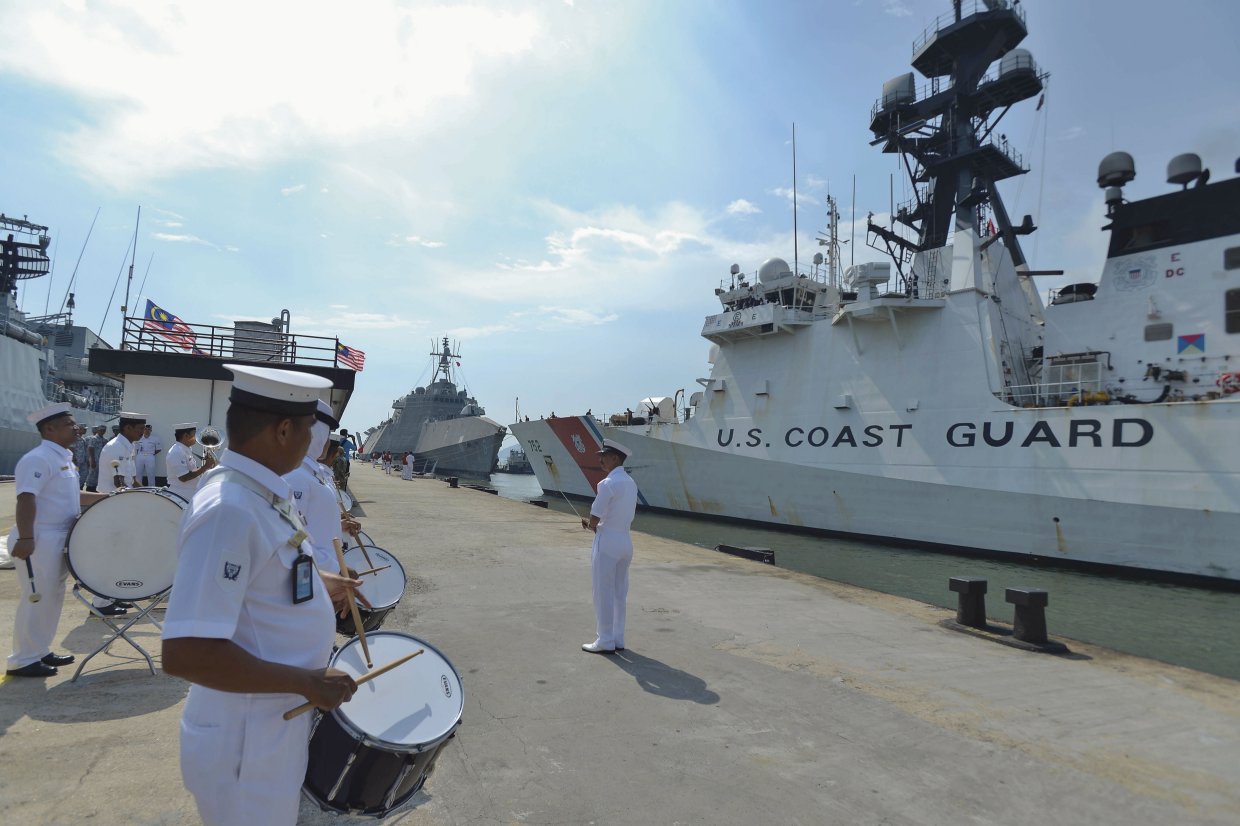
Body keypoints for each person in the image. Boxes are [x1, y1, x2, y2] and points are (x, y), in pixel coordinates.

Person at [161, 364, 361, 826]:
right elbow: (185, 653)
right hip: (244, 742)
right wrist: (306, 682)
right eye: (310, 428)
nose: (314, 440)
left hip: (268, 729)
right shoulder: (229, 510)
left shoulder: (261, 494)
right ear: (284, 429)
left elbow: (266, 574)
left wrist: (318, 587)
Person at [6, 403, 110, 677]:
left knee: (52, 598)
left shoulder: (62, 457)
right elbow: (26, 498)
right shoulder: (38, 458)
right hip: (39, 537)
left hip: (59, 536)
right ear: (49, 429)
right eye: (69, 424)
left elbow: (73, 496)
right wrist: (26, 537)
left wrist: (108, 497)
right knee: (36, 598)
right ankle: (22, 659)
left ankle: (39, 650)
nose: (76, 428)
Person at [580, 439, 639, 654]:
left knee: (602, 591)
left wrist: (590, 525)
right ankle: (618, 638)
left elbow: (595, 517)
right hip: (626, 541)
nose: (600, 459)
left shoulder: (607, 484)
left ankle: (604, 639)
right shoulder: (631, 483)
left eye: (603, 455)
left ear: (615, 458)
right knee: (619, 592)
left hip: (607, 543)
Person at [93, 412, 148, 615]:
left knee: (121, 553)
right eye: (139, 429)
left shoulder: (128, 446)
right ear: (127, 428)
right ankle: (100, 603)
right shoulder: (116, 447)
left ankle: (112, 596)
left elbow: (132, 479)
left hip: (121, 504)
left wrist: (149, 493)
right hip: (111, 505)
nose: (143, 432)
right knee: (111, 553)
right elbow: (120, 483)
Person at [165, 423, 217, 502]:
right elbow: (184, 477)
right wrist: (205, 467)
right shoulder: (177, 451)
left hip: (188, 492)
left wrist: (206, 466)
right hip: (181, 495)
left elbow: (192, 470)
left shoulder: (185, 449)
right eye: (194, 434)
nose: (196, 437)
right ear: (186, 436)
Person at [84, 425, 106, 492]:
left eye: (103, 430)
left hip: (101, 460)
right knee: (92, 474)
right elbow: (90, 449)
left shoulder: (105, 440)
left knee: (98, 475)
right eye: (101, 430)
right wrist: (92, 460)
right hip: (95, 460)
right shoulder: (94, 438)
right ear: (98, 430)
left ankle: (94, 489)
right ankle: (89, 489)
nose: (102, 431)